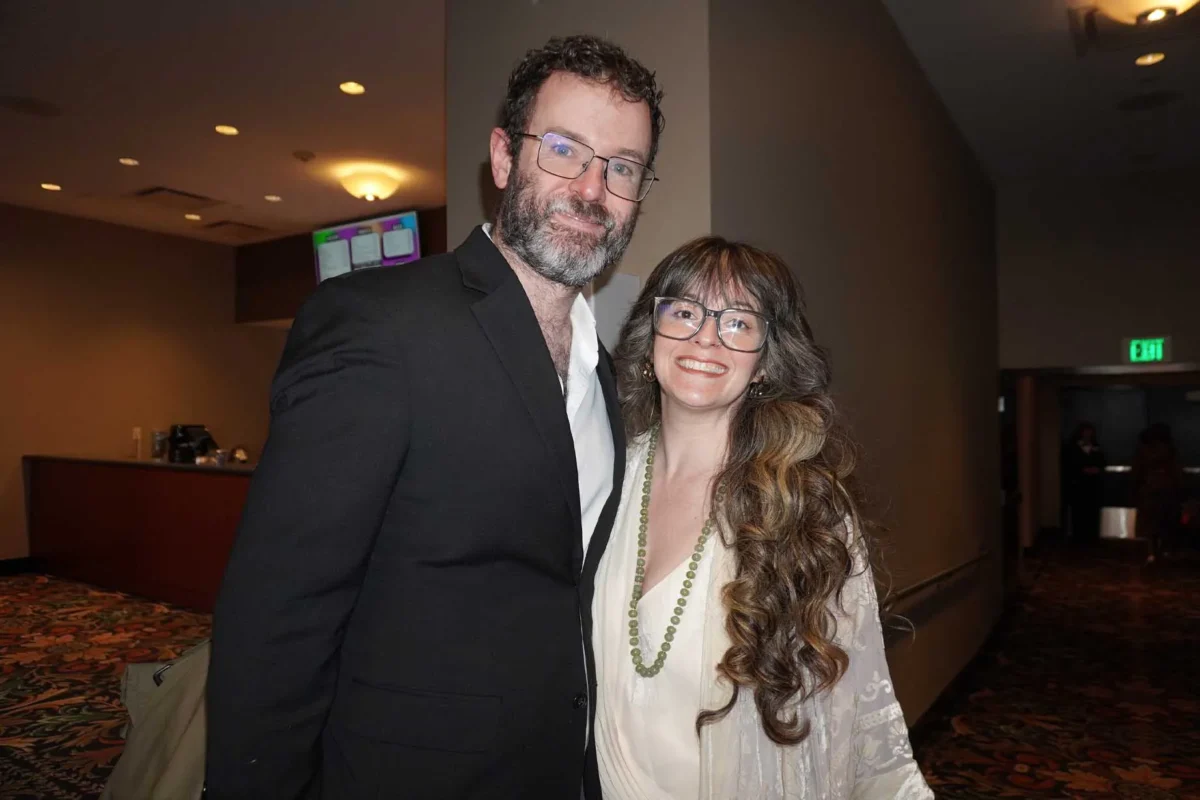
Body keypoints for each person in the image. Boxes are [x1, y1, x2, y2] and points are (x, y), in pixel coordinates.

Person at [204, 34, 665, 799]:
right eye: (564, 149)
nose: (592, 188)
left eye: (622, 167)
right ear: (504, 157)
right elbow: (277, 620)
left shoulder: (606, 371)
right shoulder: (379, 326)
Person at [594, 238, 933, 799]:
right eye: (683, 311)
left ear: (765, 362)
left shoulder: (805, 512)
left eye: (738, 322)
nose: (705, 335)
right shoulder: (605, 480)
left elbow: (864, 712)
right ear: (650, 334)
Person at [1134, 423, 1183, 565]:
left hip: (1148, 490)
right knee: (1166, 522)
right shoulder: (1171, 450)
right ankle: (1165, 550)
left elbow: (1137, 472)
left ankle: (1151, 553)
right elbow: (1177, 472)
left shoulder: (1143, 450)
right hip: (1168, 490)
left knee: (1150, 524)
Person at [1062, 422, 1106, 544]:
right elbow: (1068, 465)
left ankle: (1092, 537)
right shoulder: (1072, 448)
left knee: (1092, 512)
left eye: (1090, 432)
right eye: (1086, 432)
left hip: (1093, 486)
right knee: (1079, 512)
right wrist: (1082, 470)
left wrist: (1097, 469)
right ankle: (1079, 538)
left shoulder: (1096, 448)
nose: (1088, 435)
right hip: (1078, 486)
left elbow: (1102, 463)